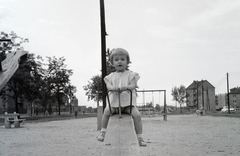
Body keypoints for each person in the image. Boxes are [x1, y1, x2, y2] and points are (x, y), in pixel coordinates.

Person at [97, 48, 147, 147]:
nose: (119, 61)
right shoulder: (110, 76)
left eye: (122, 59)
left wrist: (126, 87)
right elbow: (108, 86)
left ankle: (139, 137)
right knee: (106, 112)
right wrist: (113, 88)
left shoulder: (131, 75)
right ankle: (103, 131)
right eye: (116, 60)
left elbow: (133, 85)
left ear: (127, 62)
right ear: (112, 63)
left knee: (137, 115)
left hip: (128, 103)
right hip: (114, 104)